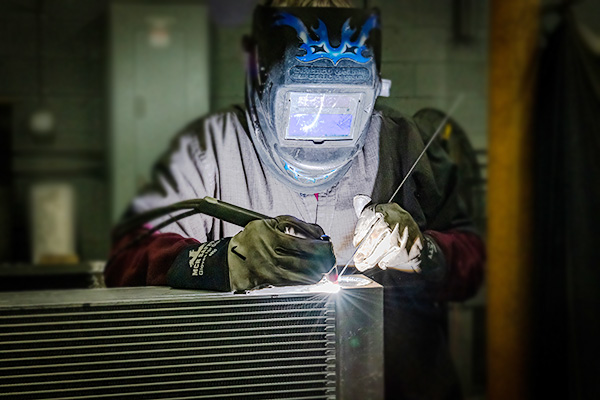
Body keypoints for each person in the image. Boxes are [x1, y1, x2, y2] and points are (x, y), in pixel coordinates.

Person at [105, 0, 485, 398]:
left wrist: (423, 252)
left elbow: (474, 260)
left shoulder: (405, 143)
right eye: (304, 104)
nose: (320, 135)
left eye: (342, 106)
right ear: (261, 74)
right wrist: (228, 260)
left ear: (373, 87)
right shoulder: (209, 149)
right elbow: (126, 260)